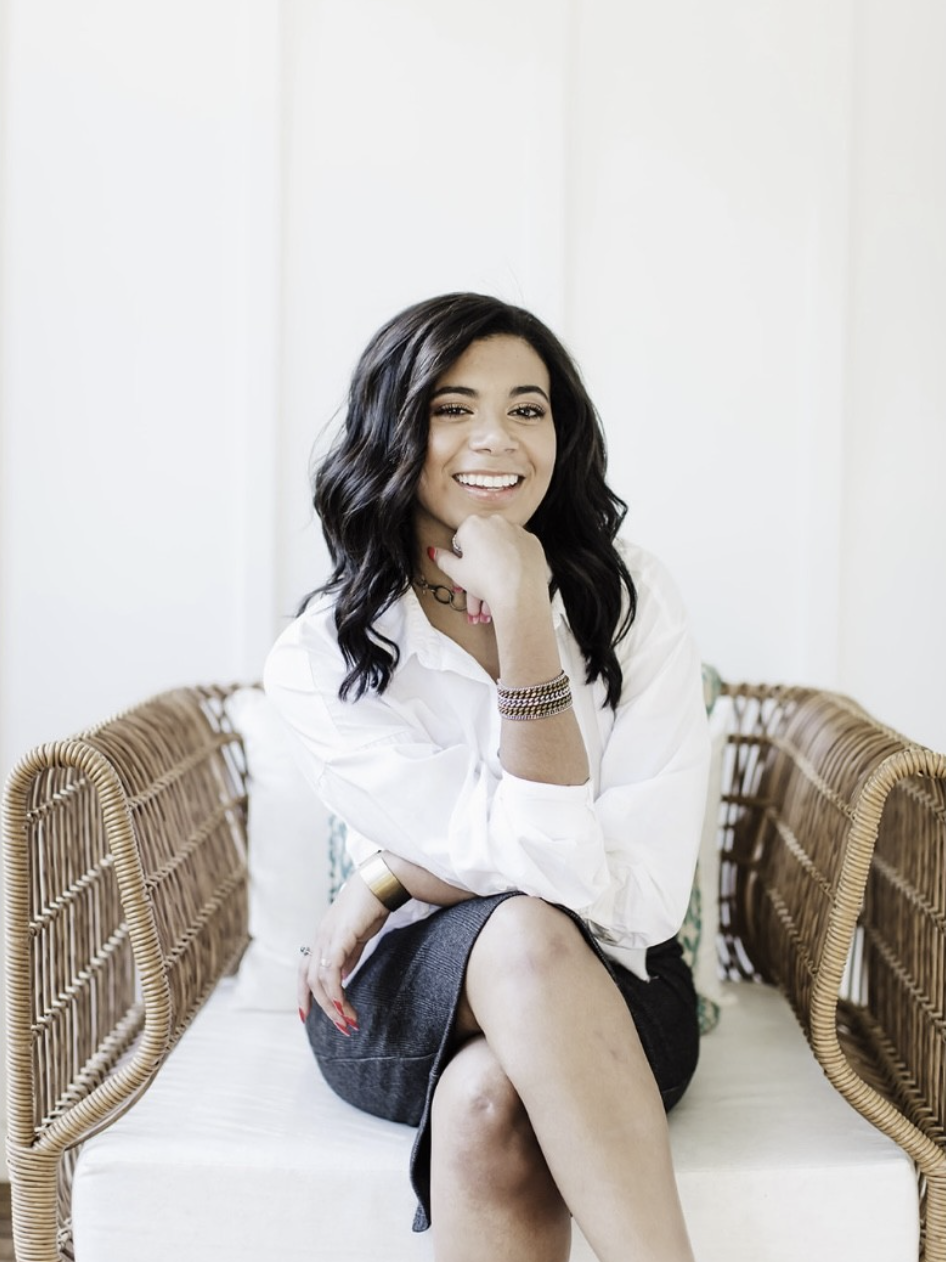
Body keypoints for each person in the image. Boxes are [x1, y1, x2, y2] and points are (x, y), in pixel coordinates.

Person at [264, 292, 711, 1262]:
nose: (496, 437)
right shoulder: (319, 657)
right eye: (453, 407)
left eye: (528, 407)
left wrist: (387, 875)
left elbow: (637, 894)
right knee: (520, 930)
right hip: (393, 993)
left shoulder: (635, 602)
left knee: (487, 1102)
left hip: (620, 988)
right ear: (395, 428)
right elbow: (552, 854)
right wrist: (521, 623)